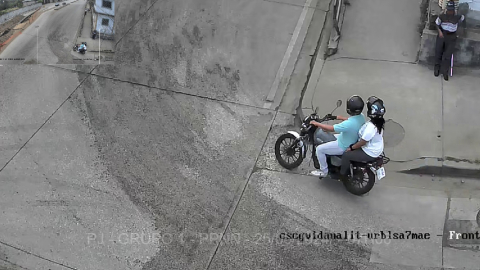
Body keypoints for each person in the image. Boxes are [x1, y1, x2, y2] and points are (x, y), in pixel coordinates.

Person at [309, 95, 366, 178]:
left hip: (343, 145)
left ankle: (323, 171)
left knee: (319, 149)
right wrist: (338, 117)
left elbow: (332, 128)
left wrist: (317, 123)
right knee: (328, 136)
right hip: (349, 139)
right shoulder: (361, 116)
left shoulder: (348, 124)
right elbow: (351, 120)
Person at [339, 96, 386, 181]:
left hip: (369, 151)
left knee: (346, 155)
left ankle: (342, 175)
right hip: (376, 148)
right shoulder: (379, 122)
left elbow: (362, 142)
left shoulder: (371, 128)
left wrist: (351, 148)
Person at [434, 1, 464, 81]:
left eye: (452, 10)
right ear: (446, 9)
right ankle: (437, 69)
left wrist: (458, 31)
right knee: (438, 52)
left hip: (452, 36)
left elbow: (462, 21)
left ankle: (445, 72)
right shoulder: (442, 16)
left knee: (447, 56)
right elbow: (436, 24)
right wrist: (440, 32)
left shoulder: (458, 17)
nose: (450, 12)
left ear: (454, 10)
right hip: (442, 34)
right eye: (449, 10)